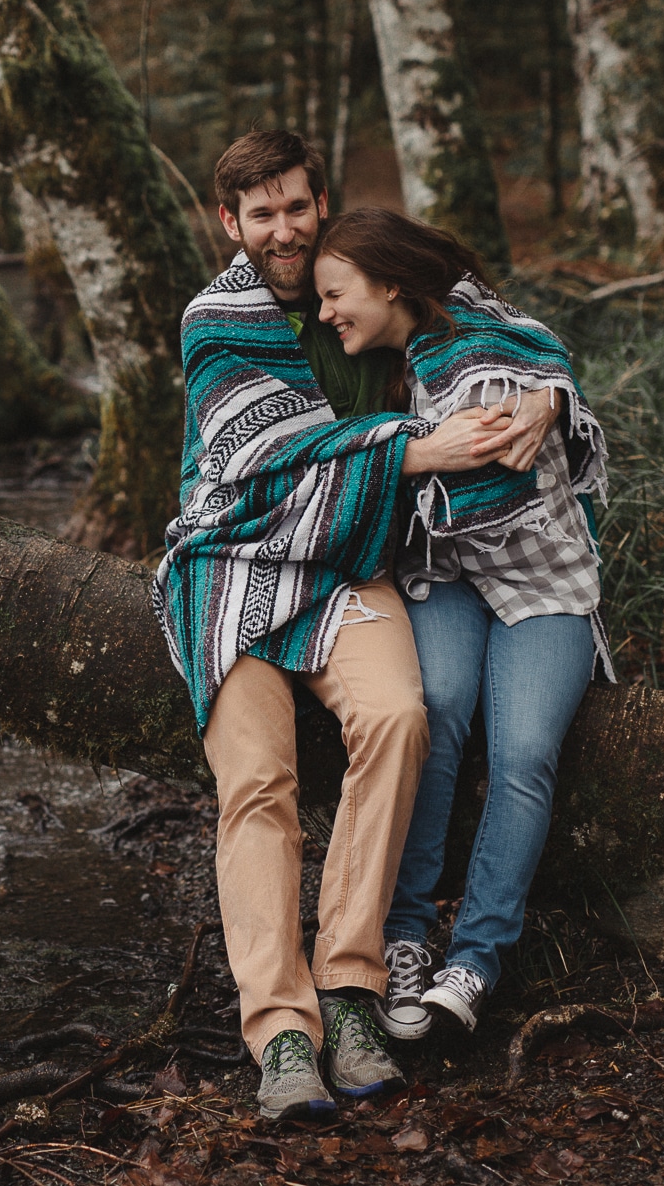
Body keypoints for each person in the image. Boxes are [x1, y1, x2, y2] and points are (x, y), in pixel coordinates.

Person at [152, 132, 557, 1120]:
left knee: (397, 719)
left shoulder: (365, 272)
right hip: (234, 559)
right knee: (258, 781)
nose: (282, 231)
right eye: (260, 215)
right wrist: (416, 450)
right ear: (229, 224)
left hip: (347, 560)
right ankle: (280, 1031)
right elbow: (268, 458)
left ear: (318, 201)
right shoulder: (216, 318)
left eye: (295, 208)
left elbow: (503, 330)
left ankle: (348, 991)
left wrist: (545, 396)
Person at [309, 206, 613, 1043]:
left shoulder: (480, 356)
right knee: (436, 706)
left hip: (539, 583)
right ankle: (405, 938)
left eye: (338, 295)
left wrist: (548, 399)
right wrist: (413, 441)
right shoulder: (399, 355)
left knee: (522, 753)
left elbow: (484, 483)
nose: (327, 312)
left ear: (391, 283)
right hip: (445, 576)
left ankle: (474, 958)